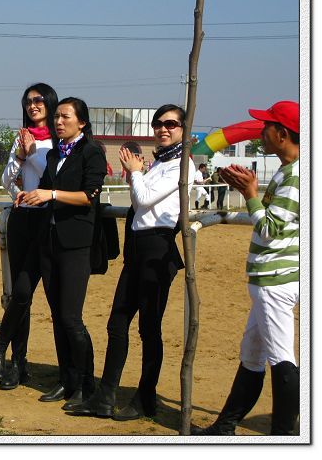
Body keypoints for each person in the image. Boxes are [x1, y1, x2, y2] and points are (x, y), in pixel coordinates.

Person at [71, 103, 194, 420]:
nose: (162, 129)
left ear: (183, 129)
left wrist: (136, 171)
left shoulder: (183, 165)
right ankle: (105, 397)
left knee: (148, 328)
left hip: (158, 248)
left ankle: (146, 398)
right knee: (117, 324)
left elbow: (143, 200)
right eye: (158, 124)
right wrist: (138, 173)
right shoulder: (159, 164)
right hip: (138, 247)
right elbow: (142, 201)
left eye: (170, 124)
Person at [193, 101, 300, 436]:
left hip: (274, 280)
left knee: (281, 358)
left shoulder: (295, 175)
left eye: (266, 126)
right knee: (252, 354)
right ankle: (224, 427)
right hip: (271, 279)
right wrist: (248, 192)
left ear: (282, 135)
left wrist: (251, 194)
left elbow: (269, 229)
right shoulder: (289, 170)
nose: (261, 131)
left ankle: (284, 436)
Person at [16, 97, 107, 410]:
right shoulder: (55, 153)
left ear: (81, 122)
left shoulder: (92, 151)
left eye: (65, 116)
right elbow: (41, 190)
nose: (58, 121)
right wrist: (27, 197)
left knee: (71, 318)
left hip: (76, 245)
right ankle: (66, 380)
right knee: (57, 317)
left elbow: (88, 196)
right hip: (49, 241)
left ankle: (86, 383)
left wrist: (50, 193)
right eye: (56, 116)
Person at [0, 83, 57, 391]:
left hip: (49, 221)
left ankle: (2, 349)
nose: (33, 105)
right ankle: (19, 363)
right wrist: (18, 188)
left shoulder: (60, 139)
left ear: (50, 103)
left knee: (34, 294)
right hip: (22, 221)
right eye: (28, 101)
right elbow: (6, 179)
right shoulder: (23, 137)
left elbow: (54, 176)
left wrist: (30, 153)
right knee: (20, 295)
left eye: (39, 100)